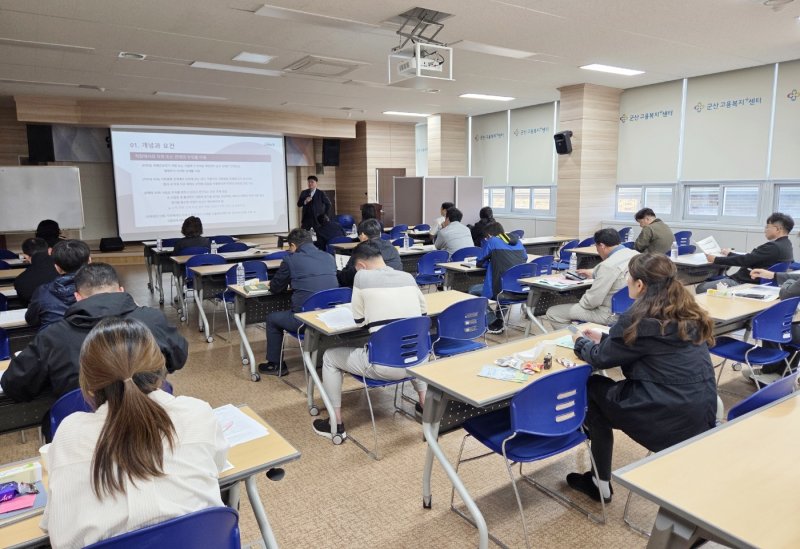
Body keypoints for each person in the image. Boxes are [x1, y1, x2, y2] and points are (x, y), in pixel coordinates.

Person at [42, 317, 227, 548]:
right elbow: (218, 466)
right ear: (161, 371)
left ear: (88, 386)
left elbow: (56, 524)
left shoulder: (69, 433)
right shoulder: (196, 412)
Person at [566, 253, 717, 503]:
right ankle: (597, 474)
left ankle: (599, 481)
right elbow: (649, 347)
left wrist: (580, 342)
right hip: (701, 409)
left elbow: (600, 360)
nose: (626, 281)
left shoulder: (636, 318)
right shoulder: (687, 311)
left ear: (640, 285)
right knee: (603, 393)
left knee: (592, 387)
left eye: (629, 277)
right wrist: (605, 340)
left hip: (663, 411)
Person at [2, 263, 188, 406]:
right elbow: (178, 358)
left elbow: (15, 385)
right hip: (152, 414)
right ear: (121, 290)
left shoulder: (53, 335)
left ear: (77, 297)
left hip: (82, 424)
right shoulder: (152, 318)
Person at [312, 241, 427, 440]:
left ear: (362, 265)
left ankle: (335, 423)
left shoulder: (362, 277)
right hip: (419, 363)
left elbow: (359, 321)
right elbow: (423, 313)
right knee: (410, 348)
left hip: (383, 366)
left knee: (330, 356)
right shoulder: (407, 276)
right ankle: (426, 409)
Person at [259, 228, 338, 376]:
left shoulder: (290, 259)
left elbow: (276, 288)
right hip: (330, 317)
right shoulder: (328, 257)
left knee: (272, 318)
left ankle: (275, 365)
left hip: (305, 320)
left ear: (293, 246)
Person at [545, 228, 638, 330]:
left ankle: (577, 340)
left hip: (609, 314)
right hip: (633, 310)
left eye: (596, 247)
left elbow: (592, 301)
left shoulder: (607, 266)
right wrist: (595, 272)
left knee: (554, 313)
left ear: (602, 245)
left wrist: (580, 300)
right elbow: (618, 270)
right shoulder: (636, 255)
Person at [696, 212, 794, 293]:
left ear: (778, 229)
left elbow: (745, 260)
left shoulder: (773, 247)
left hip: (745, 283)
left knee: (701, 288)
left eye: (767, 227)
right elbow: (752, 258)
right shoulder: (786, 245)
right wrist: (729, 254)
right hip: (760, 283)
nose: (765, 230)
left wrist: (715, 259)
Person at [469, 222, 527, 334]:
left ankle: (493, 322)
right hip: (518, 289)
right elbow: (524, 258)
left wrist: (491, 262)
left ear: (489, 235)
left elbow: (479, 262)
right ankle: (499, 319)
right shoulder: (518, 242)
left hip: (500, 290)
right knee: (504, 286)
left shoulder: (492, 241)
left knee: (472, 291)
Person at [26, 239, 91, 331]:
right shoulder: (102, 286)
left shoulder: (43, 291)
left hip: (54, 342)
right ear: (89, 260)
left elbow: (31, 320)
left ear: (57, 267)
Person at [337, 218, 402, 287]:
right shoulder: (391, 246)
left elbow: (346, 278)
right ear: (379, 233)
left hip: (371, 288)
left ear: (362, 235)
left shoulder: (362, 249)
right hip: (395, 285)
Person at [13, 237, 58, 306]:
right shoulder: (65, 268)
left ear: (26, 256)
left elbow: (25, 305)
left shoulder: (20, 281)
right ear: (50, 251)